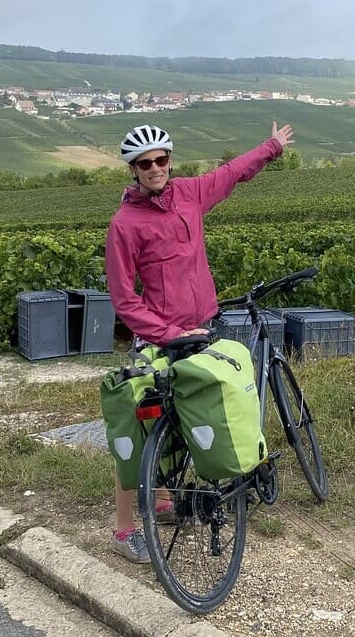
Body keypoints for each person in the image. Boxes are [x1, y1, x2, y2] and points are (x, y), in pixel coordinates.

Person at [103, 120, 294, 562]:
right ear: (133, 169)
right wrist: (168, 334)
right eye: (145, 163)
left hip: (203, 327)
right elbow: (123, 299)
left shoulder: (189, 193)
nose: (155, 168)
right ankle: (125, 531)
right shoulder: (124, 224)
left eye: (161, 160)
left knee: (195, 411)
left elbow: (231, 174)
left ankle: (167, 500)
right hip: (160, 337)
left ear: (170, 160)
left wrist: (272, 147)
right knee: (139, 425)